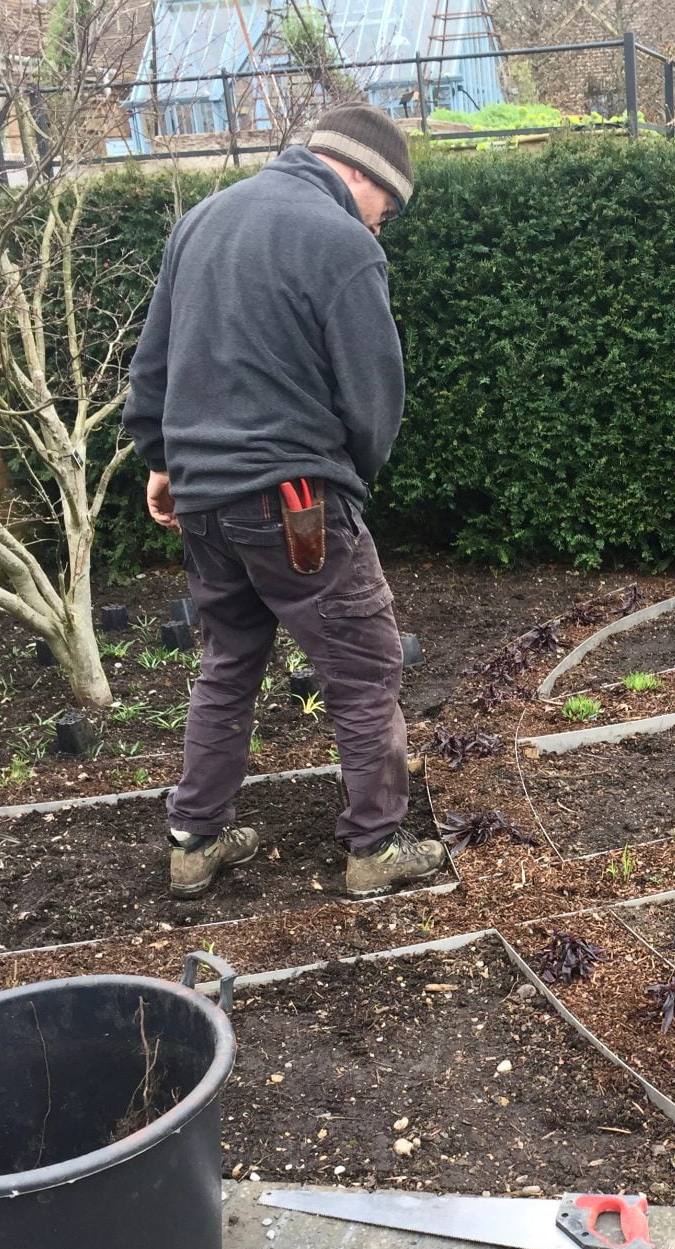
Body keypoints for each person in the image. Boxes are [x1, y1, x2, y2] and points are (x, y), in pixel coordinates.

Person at [123, 102, 446, 900]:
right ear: (362, 175)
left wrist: (162, 461)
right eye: (387, 209)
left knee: (228, 661)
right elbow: (374, 397)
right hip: (296, 500)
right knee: (365, 667)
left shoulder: (201, 220)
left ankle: (195, 840)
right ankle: (376, 849)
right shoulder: (340, 244)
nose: (381, 227)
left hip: (202, 497)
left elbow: (154, 361)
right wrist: (348, 479)